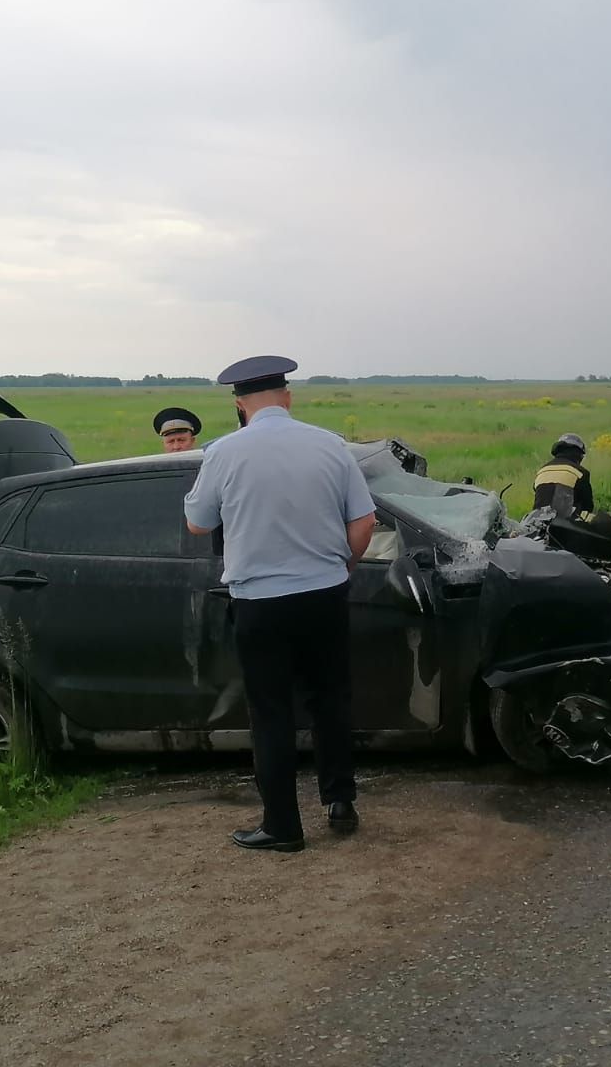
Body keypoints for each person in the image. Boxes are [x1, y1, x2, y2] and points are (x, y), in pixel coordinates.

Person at [183, 355, 377, 852]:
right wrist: (344, 567)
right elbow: (365, 523)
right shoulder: (331, 446)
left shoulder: (223, 453)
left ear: (239, 405)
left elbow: (199, 524)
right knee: (330, 698)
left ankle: (283, 827)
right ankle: (340, 801)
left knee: (270, 713)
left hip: (260, 602)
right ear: (287, 397)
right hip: (324, 594)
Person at [532, 432, 595, 520]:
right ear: (579, 454)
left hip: (537, 523)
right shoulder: (580, 472)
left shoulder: (542, 470)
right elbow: (587, 506)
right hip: (565, 525)